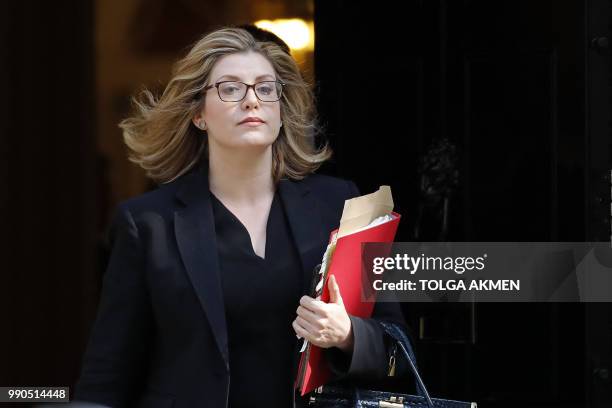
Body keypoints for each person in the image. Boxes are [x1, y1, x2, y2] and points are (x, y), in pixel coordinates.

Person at [73, 26, 409, 408]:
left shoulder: (341, 205)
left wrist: (349, 335)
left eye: (266, 88)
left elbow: (394, 350)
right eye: (230, 89)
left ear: (282, 112)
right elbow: (106, 378)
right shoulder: (148, 224)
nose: (252, 101)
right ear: (198, 113)